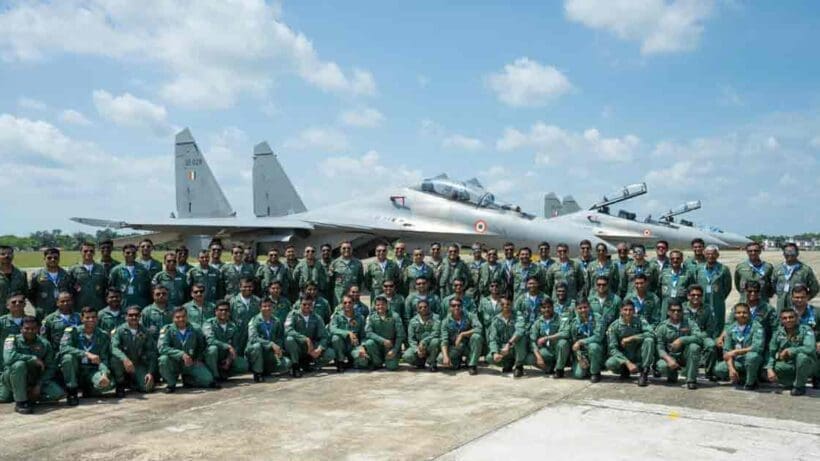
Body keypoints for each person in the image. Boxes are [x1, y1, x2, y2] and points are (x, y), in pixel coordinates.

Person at [0, 316, 65, 414]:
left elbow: (50, 367)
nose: (30, 331)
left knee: (58, 394)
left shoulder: (44, 344)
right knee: (19, 365)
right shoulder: (12, 340)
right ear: (21, 329)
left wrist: (39, 384)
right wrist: (32, 358)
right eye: (26, 328)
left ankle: (27, 395)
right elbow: (8, 358)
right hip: (12, 378)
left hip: (34, 379)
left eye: (33, 329)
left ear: (38, 329)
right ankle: (21, 402)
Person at [59, 307, 114, 404]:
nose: (91, 320)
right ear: (82, 319)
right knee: (68, 357)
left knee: (108, 385)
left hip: (91, 370)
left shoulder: (103, 335)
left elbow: (104, 358)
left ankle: (89, 389)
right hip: (76, 370)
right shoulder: (72, 332)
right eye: (87, 317)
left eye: (93, 317)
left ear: (97, 319)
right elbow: (63, 348)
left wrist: (104, 374)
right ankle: (72, 392)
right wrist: (86, 354)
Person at [157, 306, 217, 392]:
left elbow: (202, 345)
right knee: (163, 359)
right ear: (173, 318)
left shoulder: (195, 328)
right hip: (174, 363)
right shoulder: (167, 330)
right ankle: (171, 383)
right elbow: (162, 348)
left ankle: (188, 380)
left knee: (209, 380)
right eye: (178, 317)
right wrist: (181, 354)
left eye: (183, 316)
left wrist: (198, 358)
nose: (181, 319)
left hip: (191, 362)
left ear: (187, 317)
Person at [765, 308, 817, 396]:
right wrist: (769, 369)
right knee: (775, 367)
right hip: (789, 364)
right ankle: (791, 383)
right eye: (785, 318)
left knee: (802, 357)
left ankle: (799, 387)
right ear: (781, 320)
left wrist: (791, 350)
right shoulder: (778, 333)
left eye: (791, 317)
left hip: (808, 365)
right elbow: (771, 353)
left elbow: (810, 348)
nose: (788, 320)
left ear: (796, 318)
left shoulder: (805, 330)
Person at [714, 303, 764, 390]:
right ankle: (745, 378)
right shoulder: (730, 328)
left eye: (745, 312)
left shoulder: (757, 326)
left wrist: (736, 352)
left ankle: (750, 383)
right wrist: (731, 368)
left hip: (753, 360)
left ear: (749, 314)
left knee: (751, 356)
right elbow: (727, 352)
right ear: (734, 314)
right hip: (738, 361)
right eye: (739, 312)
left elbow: (757, 347)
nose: (742, 315)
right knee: (719, 369)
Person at [654, 301, 702, 389]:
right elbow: (660, 348)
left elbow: (699, 338)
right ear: (668, 312)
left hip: (685, 356)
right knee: (661, 366)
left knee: (694, 347)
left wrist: (681, 340)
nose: (676, 312)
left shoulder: (689, 323)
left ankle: (691, 380)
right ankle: (672, 374)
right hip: (671, 356)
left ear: (682, 311)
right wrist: (669, 360)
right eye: (673, 310)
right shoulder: (662, 327)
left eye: (679, 310)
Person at [605, 300, 655, 386]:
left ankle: (644, 372)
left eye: (630, 310)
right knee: (610, 363)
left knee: (649, 340)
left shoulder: (640, 321)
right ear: (621, 311)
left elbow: (652, 334)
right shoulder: (614, 326)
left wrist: (632, 338)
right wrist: (627, 362)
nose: (628, 312)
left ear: (634, 311)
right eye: (625, 310)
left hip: (638, 354)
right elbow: (612, 349)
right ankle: (624, 370)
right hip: (624, 356)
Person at [110, 306, 156, 397]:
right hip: (123, 363)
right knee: (115, 359)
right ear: (126, 317)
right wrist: (125, 359)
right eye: (131, 315)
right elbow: (114, 347)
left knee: (147, 388)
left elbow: (151, 352)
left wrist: (150, 372)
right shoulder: (119, 330)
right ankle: (120, 384)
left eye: (136, 315)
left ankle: (132, 383)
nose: (134, 317)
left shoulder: (145, 332)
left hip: (137, 364)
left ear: (140, 316)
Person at [556, 299, 604, 382]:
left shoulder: (597, 318)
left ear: (589, 307)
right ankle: (585, 367)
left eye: (585, 307)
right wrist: (580, 357)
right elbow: (573, 341)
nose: (583, 310)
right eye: (580, 308)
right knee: (578, 375)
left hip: (595, 351)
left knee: (593, 346)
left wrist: (581, 342)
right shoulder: (574, 322)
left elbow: (598, 336)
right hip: (582, 352)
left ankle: (595, 373)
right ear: (576, 310)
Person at [284, 298, 334, 377]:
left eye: (309, 304)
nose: (307, 306)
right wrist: (304, 339)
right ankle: (295, 366)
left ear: (313, 305)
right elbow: (288, 330)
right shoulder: (293, 315)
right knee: (289, 339)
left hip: (311, 347)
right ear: (300, 304)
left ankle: (311, 365)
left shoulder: (317, 317)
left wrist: (319, 349)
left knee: (330, 353)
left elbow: (324, 336)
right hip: (298, 346)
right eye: (304, 304)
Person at [246, 297, 291, 382]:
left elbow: (280, 337)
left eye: (269, 306)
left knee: (287, 363)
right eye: (264, 306)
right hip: (256, 352)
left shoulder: (276, 321)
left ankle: (266, 370)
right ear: (260, 308)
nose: (267, 308)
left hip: (270, 352)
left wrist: (279, 348)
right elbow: (253, 338)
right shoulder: (254, 320)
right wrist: (271, 344)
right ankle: (257, 372)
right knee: (257, 346)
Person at [203, 301, 248, 382]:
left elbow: (235, 346)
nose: (223, 312)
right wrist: (228, 346)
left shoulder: (232, 326)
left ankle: (224, 373)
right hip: (211, 356)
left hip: (225, 355)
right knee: (213, 349)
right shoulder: (209, 323)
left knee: (243, 365)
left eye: (226, 310)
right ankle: (215, 376)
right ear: (216, 311)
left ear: (229, 312)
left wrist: (229, 359)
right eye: (221, 310)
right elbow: (210, 340)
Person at [358, 295, 405, 371]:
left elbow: (400, 335)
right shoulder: (372, 317)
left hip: (390, 346)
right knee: (369, 343)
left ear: (387, 305)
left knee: (392, 366)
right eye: (378, 305)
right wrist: (382, 341)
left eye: (382, 304)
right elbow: (368, 332)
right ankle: (377, 363)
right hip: (377, 346)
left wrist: (394, 350)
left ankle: (388, 360)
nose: (380, 307)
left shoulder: (395, 316)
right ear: (375, 306)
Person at [683, 284, 720, 381]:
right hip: (686, 336)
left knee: (711, 346)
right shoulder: (681, 308)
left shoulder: (707, 309)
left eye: (699, 295)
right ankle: (684, 368)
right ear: (688, 296)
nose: (696, 297)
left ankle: (709, 372)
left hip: (703, 335)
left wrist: (700, 337)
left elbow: (710, 329)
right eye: (693, 295)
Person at [439, 298, 483, 375]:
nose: (456, 307)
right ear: (449, 308)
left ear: (462, 306)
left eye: (458, 305)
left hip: (468, 347)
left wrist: (462, 334)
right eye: (453, 305)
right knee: (440, 358)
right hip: (455, 347)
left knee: (477, 336)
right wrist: (445, 356)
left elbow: (479, 328)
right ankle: (457, 361)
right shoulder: (445, 322)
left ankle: (472, 365)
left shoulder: (469, 316)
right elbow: (444, 340)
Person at [694, 245, 732, 333]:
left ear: (717, 255)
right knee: (701, 322)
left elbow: (727, 287)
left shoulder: (723, 269)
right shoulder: (699, 268)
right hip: (702, 301)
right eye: (708, 254)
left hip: (717, 302)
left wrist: (719, 296)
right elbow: (695, 284)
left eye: (713, 254)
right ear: (704, 255)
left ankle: (718, 342)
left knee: (718, 323)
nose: (710, 256)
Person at [772, 243, 818, 312]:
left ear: (797, 253)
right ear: (783, 254)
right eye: (787, 252)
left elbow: (815, 288)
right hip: (781, 307)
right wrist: (781, 295)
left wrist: (804, 299)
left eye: (792, 252)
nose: (789, 254)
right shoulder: (777, 269)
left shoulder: (805, 270)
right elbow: (773, 284)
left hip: (798, 308)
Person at [486, 297, 526, 377]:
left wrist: (509, 344)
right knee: (490, 357)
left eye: (508, 304)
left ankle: (519, 366)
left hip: (515, 347)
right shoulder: (496, 319)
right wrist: (495, 353)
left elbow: (520, 330)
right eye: (502, 304)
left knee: (522, 338)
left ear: (511, 305)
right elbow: (493, 338)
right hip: (503, 348)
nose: (505, 306)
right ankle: (507, 364)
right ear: (499, 306)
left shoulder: (518, 316)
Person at [789, 284, 819, 389]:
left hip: (813, 348)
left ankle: (817, 375)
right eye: (796, 297)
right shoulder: (787, 314)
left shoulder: (816, 313)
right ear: (792, 298)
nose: (799, 300)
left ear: (807, 297)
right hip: (793, 346)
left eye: (802, 297)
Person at [28, 248, 72, 318]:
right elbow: (30, 294)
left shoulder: (66, 275)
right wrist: (38, 307)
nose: (52, 260)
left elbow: (71, 292)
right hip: (44, 313)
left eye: (55, 258)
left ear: (59, 259)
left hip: (62, 313)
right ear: (44, 259)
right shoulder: (36, 276)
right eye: (49, 258)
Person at [329, 295, 366, 372]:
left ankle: (351, 361)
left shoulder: (360, 318)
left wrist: (362, 346)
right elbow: (332, 329)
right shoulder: (337, 316)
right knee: (335, 338)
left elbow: (363, 335)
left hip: (353, 346)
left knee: (363, 361)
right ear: (342, 304)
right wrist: (348, 333)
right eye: (345, 303)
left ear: (353, 304)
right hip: (341, 345)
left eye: (350, 302)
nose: (347, 305)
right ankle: (340, 361)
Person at [402, 299, 440, 371]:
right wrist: (417, 350)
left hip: (430, 346)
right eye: (420, 307)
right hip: (418, 347)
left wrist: (423, 342)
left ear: (429, 307)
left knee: (436, 341)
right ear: (417, 309)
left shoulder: (436, 318)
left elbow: (436, 333)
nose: (423, 309)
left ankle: (432, 362)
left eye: (425, 307)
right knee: (407, 356)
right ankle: (420, 362)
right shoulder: (413, 321)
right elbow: (411, 339)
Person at [109, 244, 152, 308]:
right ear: (123, 254)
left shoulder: (143, 269)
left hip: (140, 305)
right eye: (128, 253)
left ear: (136, 254)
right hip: (122, 305)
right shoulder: (116, 270)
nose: (131, 254)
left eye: (133, 253)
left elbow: (149, 288)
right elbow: (111, 287)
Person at [527, 298, 562, 376]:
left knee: (563, 343)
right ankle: (548, 367)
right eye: (544, 307)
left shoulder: (560, 319)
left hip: (558, 350)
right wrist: (539, 357)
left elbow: (565, 333)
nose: (546, 309)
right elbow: (532, 340)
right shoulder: (538, 322)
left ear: (553, 307)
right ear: (540, 309)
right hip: (546, 350)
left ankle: (560, 368)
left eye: (549, 307)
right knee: (529, 358)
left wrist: (547, 338)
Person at [68, 242, 107, 311]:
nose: (88, 253)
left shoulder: (101, 268)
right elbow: (69, 288)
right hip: (80, 308)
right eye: (85, 251)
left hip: (98, 307)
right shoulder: (73, 269)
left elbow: (106, 287)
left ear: (94, 252)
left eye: (91, 251)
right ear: (80, 252)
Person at [745, 281, 778, 359]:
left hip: (762, 343)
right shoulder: (740, 307)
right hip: (743, 340)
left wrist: (773, 344)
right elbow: (730, 324)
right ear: (745, 291)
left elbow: (775, 328)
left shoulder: (768, 309)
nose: (753, 293)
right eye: (750, 291)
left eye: (756, 291)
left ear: (759, 292)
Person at [227, 278, 259, 355]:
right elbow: (228, 318)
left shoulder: (258, 301)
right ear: (240, 287)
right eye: (245, 287)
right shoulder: (232, 301)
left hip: (252, 334)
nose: (247, 289)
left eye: (250, 286)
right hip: (237, 334)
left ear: (253, 287)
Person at [329, 241, 363, 307]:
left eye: (348, 248)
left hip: (353, 295)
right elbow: (331, 280)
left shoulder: (358, 263)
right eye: (344, 248)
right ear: (340, 249)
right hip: (339, 295)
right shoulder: (335, 263)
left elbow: (360, 280)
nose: (346, 250)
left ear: (352, 249)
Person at [0, 246, 28, 315]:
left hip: (17, 314)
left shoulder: (21, 274)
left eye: (9, 253)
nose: (6, 256)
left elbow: (25, 293)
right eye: (3, 254)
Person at [0, 293, 27, 358]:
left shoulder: (31, 321)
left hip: (26, 357)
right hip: (5, 358)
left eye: (20, 302)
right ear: (7, 306)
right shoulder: (2, 321)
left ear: (24, 304)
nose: (17, 303)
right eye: (13, 302)